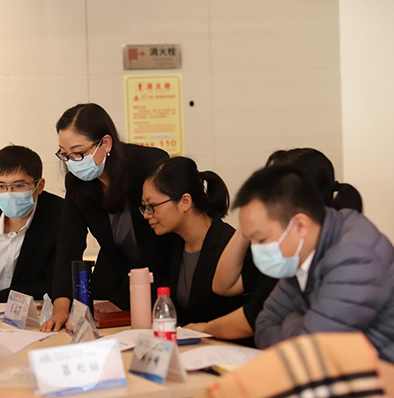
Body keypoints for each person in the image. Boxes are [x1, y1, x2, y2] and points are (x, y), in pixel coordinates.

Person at [233, 165, 394, 361]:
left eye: (261, 240)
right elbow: (263, 326)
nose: (256, 249)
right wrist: (302, 325)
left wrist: (291, 322)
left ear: (300, 225)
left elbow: (311, 350)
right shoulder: (301, 253)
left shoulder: (355, 257)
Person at [211, 148, 366, 341]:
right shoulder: (284, 247)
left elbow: (256, 320)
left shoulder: (346, 254)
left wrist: (203, 329)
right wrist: (248, 226)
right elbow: (224, 287)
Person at [42, 103, 170, 332]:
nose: (72, 162)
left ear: (106, 143)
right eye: (65, 154)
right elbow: (69, 243)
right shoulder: (77, 182)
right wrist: (61, 306)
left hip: (158, 274)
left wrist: (120, 300)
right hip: (113, 275)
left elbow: (160, 243)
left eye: (79, 153)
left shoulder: (149, 165)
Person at [140, 156, 262, 334]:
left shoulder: (229, 245)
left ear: (185, 202)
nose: (146, 215)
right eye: (144, 207)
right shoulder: (171, 243)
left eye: (152, 206)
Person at [0, 145, 64, 302]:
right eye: (1, 186)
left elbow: (53, 283)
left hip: (33, 308)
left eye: (19, 186)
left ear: (39, 186)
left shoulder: (60, 215)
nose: (9, 193)